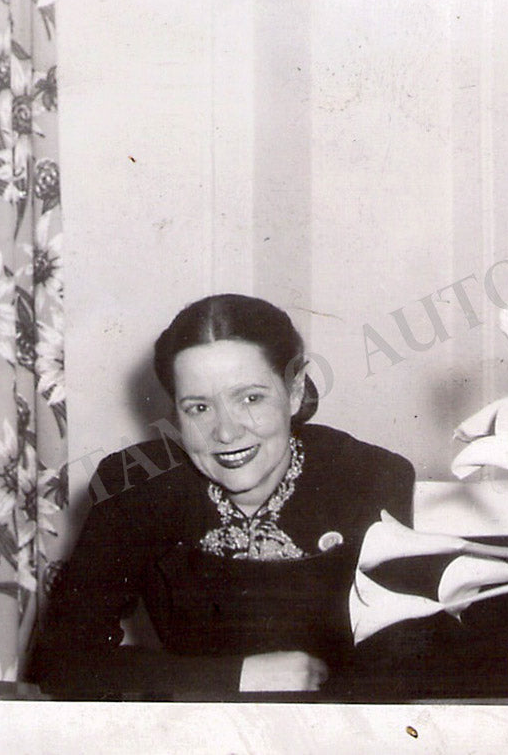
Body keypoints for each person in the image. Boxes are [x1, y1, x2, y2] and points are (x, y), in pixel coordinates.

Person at [28, 294, 414, 698]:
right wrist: (237, 676)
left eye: (251, 398)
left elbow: (402, 668)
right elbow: (61, 661)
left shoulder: (370, 478)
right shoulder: (135, 485)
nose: (226, 433)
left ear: (295, 391)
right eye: (198, 408)